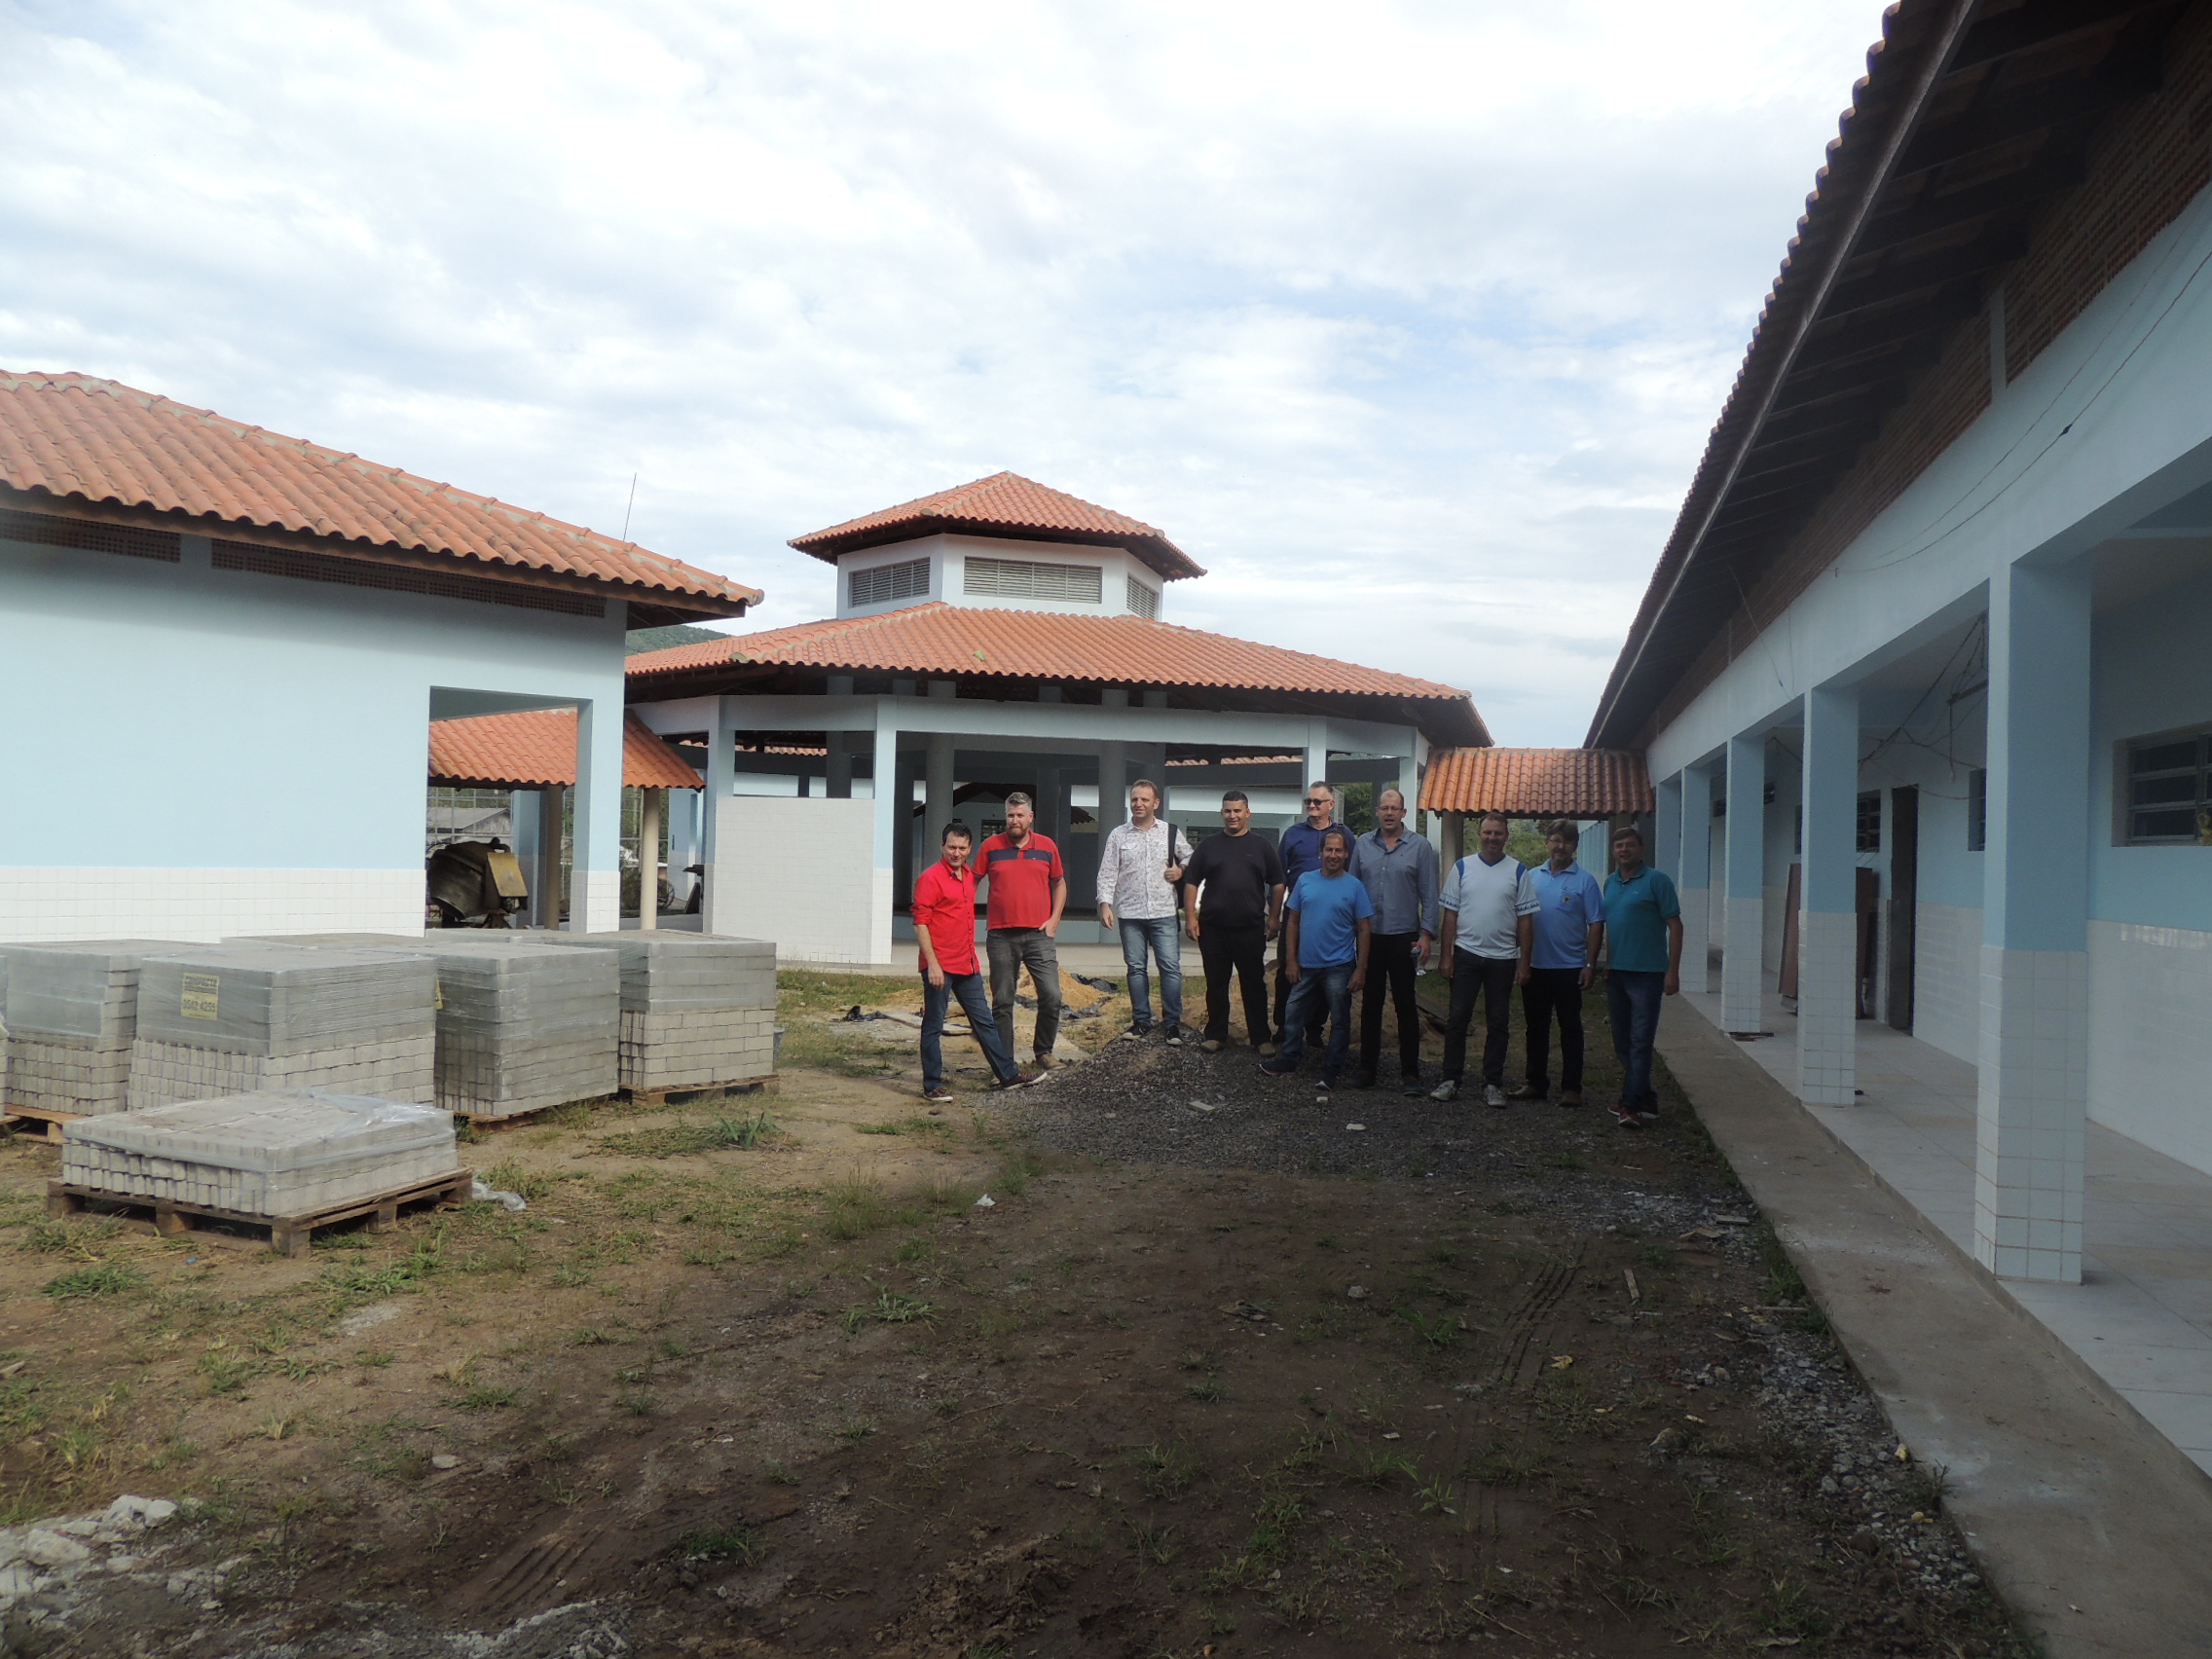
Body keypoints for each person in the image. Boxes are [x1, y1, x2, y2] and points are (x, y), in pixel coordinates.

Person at [912, 821, 1037, 1100]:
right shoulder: (930, 878)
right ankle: (932, 1085)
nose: (956, 853)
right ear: (942, 846)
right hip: (940, 966)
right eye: (952, 847)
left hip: (967, 964)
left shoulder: (968, 876)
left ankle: (1008, 1075)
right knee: (934, 1024)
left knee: (985, 1022)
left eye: (962, 848)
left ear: (969, 849)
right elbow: (921, 923)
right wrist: (931, 964)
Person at [1431, 811, 1537, 1107]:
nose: (1492, 838)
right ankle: (1450, 1080)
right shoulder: (1463, 868)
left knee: (1499, 1024)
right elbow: (1450, 915)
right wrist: (1447, 956)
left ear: (1507, 836)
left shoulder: (1518, 871)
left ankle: (1492, 1084)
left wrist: (1524, 962)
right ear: (1480, 834)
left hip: (1503, 960)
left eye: (1498, 833)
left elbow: (1526, 921)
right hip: (1466, 956)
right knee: (1457, 1021)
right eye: (1488, 833)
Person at [1260, 826, 1373, 1093]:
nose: (1333, 855)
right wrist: (1290, 960)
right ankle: (1288, 1060)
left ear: (1346, 854)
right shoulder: (1305, 881)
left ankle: (1331, 1071)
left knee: (1340, 1020)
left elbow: (1364, 928)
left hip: (1339, 966)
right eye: (1328, 850)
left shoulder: (1354, 886)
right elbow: (1293, 921)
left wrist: (1362, 969)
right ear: (1320, 852)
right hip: (1306, 965)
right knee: (1293, 1013)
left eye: (1339, 851)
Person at [1179, 791, 1286, 1053]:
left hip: (1250, 928)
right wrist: (1191, 917)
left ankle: (1261, 1037)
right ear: (1222, 813)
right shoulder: (1209, 846)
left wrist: (1274, 918)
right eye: (1228, 811)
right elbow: (1191, 881)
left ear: (1247, 813)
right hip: (1213, 929)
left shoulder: (1262, 846)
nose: (1232, 816)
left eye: (1237, 811)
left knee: (1253, 985)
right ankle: (1216, 1034)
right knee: (1216, 984)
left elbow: (1278, 882)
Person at [1509, 820, 1605, 1107]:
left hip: (1570, 967)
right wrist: (1520, 959)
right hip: (1535, 965)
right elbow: (1519, 918)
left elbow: (1596, 923)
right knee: (1535, 1028)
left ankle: (1571, 1088)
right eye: (1555, 839)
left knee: (1570, 1028)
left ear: (1574, 846)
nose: (1559, 846)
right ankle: (1535, 1083)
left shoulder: (1584, 881)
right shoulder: (1531, 876)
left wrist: (1590, 964)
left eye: (1566, 841)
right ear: (1547, 843)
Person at [1349, 787, 1439, 1094]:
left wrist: (1426, 935)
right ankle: (1367, 1069)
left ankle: (1410, 1073)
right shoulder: (1362, 845)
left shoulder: (1420, 847)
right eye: (1384, 808)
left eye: (1395, 808)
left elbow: (1429, 895)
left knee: (1405, 1004)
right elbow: (1352, 889)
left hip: (1404, 937)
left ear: (1403, 813)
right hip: (1370, 936)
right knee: (1371, 1005)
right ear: (1378, 811)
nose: (1389, 813)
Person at [1597, 824, 1683, 1129]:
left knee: (1640, 1041)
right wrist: (1608, 963)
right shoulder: (1610, 883)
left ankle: (1630, 1105)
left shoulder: (1657, 881)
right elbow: (1613, 927)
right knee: (1622, 1041)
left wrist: (1672, 971)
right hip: (1618, 973)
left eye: (1629, 845)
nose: (1624, 850)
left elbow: (1675, 926)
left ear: (1641, 849)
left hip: (1648, 974)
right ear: (1614, 851)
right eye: (1619, 846)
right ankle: (1647, 1099)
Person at [976, 791, 1067, 1072]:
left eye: (1020, 815)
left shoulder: (1048, 846)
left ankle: (1044, 1052)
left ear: (1031, 817)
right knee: (1003, 1001)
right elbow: (971, 882)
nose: (1015, 820)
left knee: (1052, 995)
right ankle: (1004, 1065)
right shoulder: (990, 846)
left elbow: (1059, 884)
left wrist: (1054, 920)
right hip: (1001, 936)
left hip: (1039, 935)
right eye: (1010, 815)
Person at [1096, 779, 1194, 1045]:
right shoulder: (1118, 835)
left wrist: (1180, 870)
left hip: (1163, 912)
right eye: (1135, 800)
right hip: (1130, 914)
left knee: (1170, 969)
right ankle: (1141, 1021)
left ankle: (1172, 1024)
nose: (1138, 804)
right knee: (1136, 968)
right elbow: (1108, 871)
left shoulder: (1170, 832)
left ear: (1156, 803)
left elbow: (1190, 856)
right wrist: (1105, 903)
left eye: (1144, 800)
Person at [1273, 781, 1339, 1046]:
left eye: (1317, 802)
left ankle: (1314, 1029)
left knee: (1324, 971)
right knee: (1286, 970)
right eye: (1308, 802)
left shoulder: (1343, 837)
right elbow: (1278, 878)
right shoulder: (1292, 835)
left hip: (1330, 917)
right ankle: (1283, 1026)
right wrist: (1274, 916)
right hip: (1296, 914)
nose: (1311, 806)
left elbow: (1354, 875)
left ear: (1330, 805)